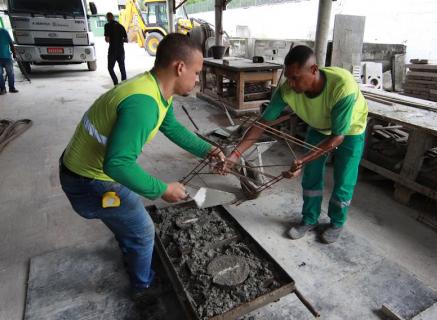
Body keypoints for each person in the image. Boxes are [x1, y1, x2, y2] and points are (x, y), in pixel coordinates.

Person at [59, 33, 225, 301]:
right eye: (196, 73)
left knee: (130, 221)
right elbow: (117, 164)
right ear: (179, 67)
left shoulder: (155, 89)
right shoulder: (143, 104)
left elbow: (170, 126)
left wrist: (208, 150)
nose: (197, 80)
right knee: (145, 231)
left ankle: (131, 248)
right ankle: (143, 287)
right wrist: (162, 189)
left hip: (84, 169)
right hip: (87, 180)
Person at [223, 45, 368, 244]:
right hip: (319, 127)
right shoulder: (287, 90)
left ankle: (336, 222)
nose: (290, 83)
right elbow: (261, 124)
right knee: (311, 176)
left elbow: (336, 138)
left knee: (344, 179)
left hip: (350, 131)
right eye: (288, 77)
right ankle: (309, 219)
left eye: (296, 78)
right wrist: (235, 154)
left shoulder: (342, 87)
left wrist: (301, 160)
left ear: (314, 70)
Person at [104, 12, 128, 85]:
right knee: (122, 67)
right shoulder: (121, 26)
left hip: (112, 51)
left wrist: (111, 39)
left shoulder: (107, 25)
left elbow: (107, 40)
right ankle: (124, 83)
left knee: (110, 68)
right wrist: (120, 39)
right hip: (121, 51)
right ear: (113, 17)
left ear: (108, 18)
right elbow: (126, 40)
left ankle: (116, 83)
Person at [0, 27, 18, 95]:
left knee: (10, 73)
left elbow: (11, 43)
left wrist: (14, 54)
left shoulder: (4, 31)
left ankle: (12, 88)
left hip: (7, 56)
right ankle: (2, 89)